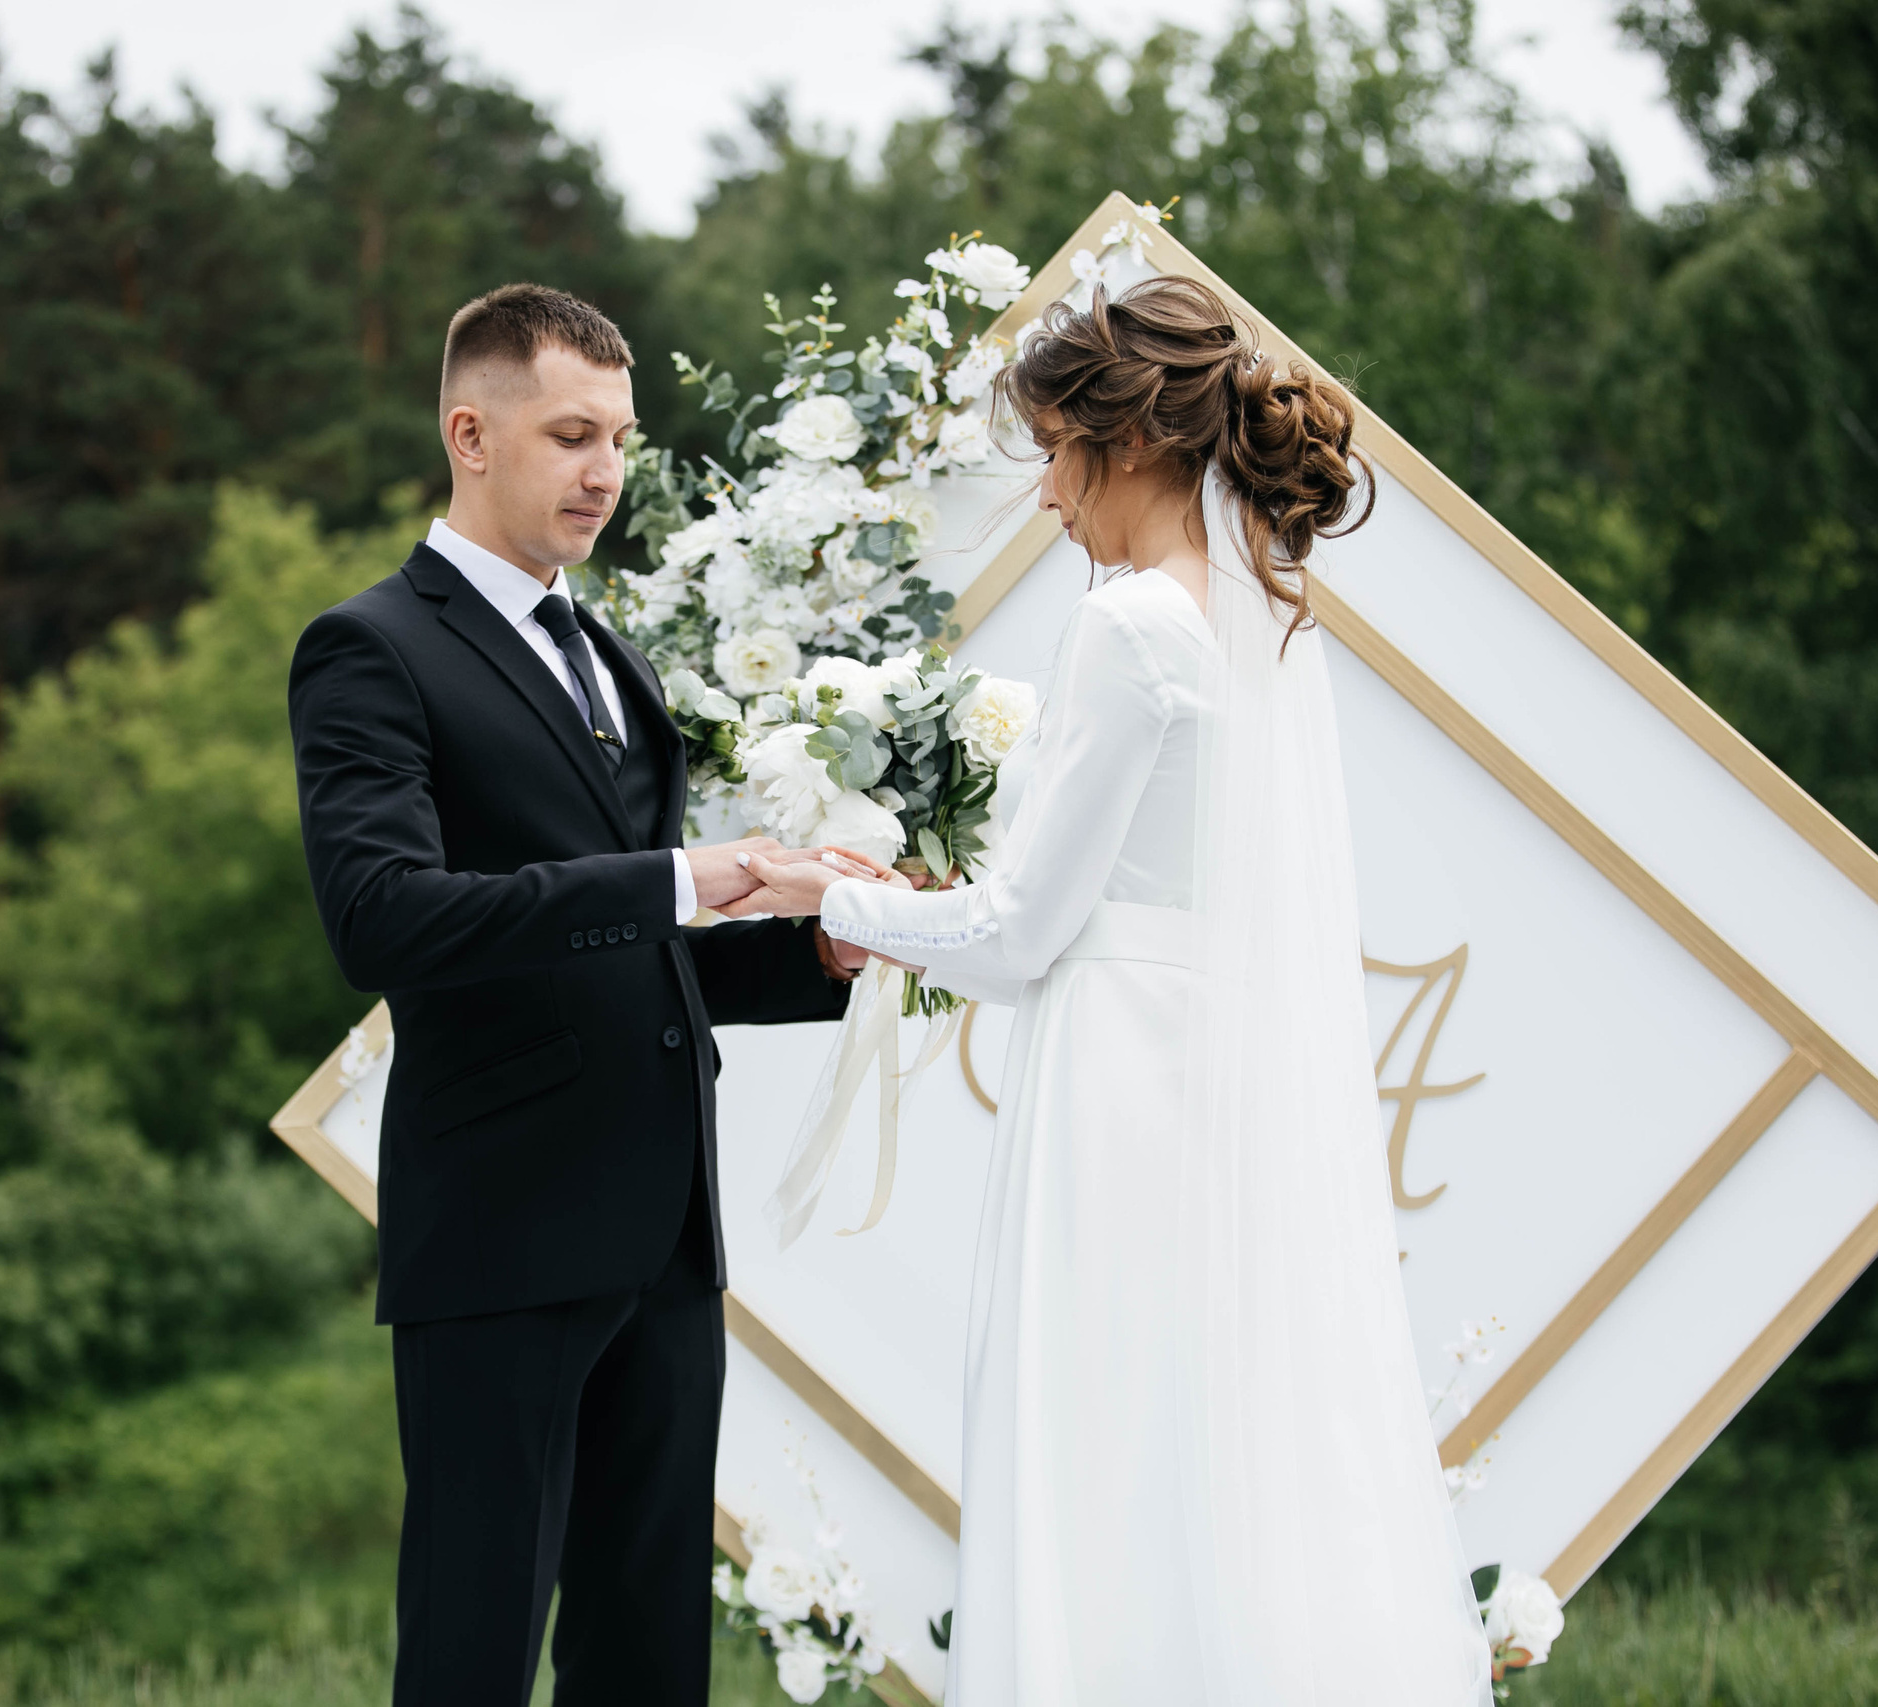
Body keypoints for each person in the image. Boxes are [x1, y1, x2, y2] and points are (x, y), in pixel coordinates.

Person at [731, 277, 1496, 1705]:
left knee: (1100, 1445)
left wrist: (820, 895)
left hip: (1118, 1101)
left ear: (1127, 445)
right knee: (1209, 1443)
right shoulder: (1259, 623)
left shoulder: (1134, 626)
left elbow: (1023, 937)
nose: (1044, 503)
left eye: (1053, 456)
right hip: (1213, 1090)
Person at [288, 283, 863, 1706]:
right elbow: (384, 922)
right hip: (500, 1233)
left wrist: (815, 950)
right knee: (473, 1659)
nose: (606, 470)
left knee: (648, 1654)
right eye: (570, 435)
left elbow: (628, 948)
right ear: (470, 434)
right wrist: (676, 875)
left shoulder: (605, 652)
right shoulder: (371, 649)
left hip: (665, 1233)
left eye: (620, 438)